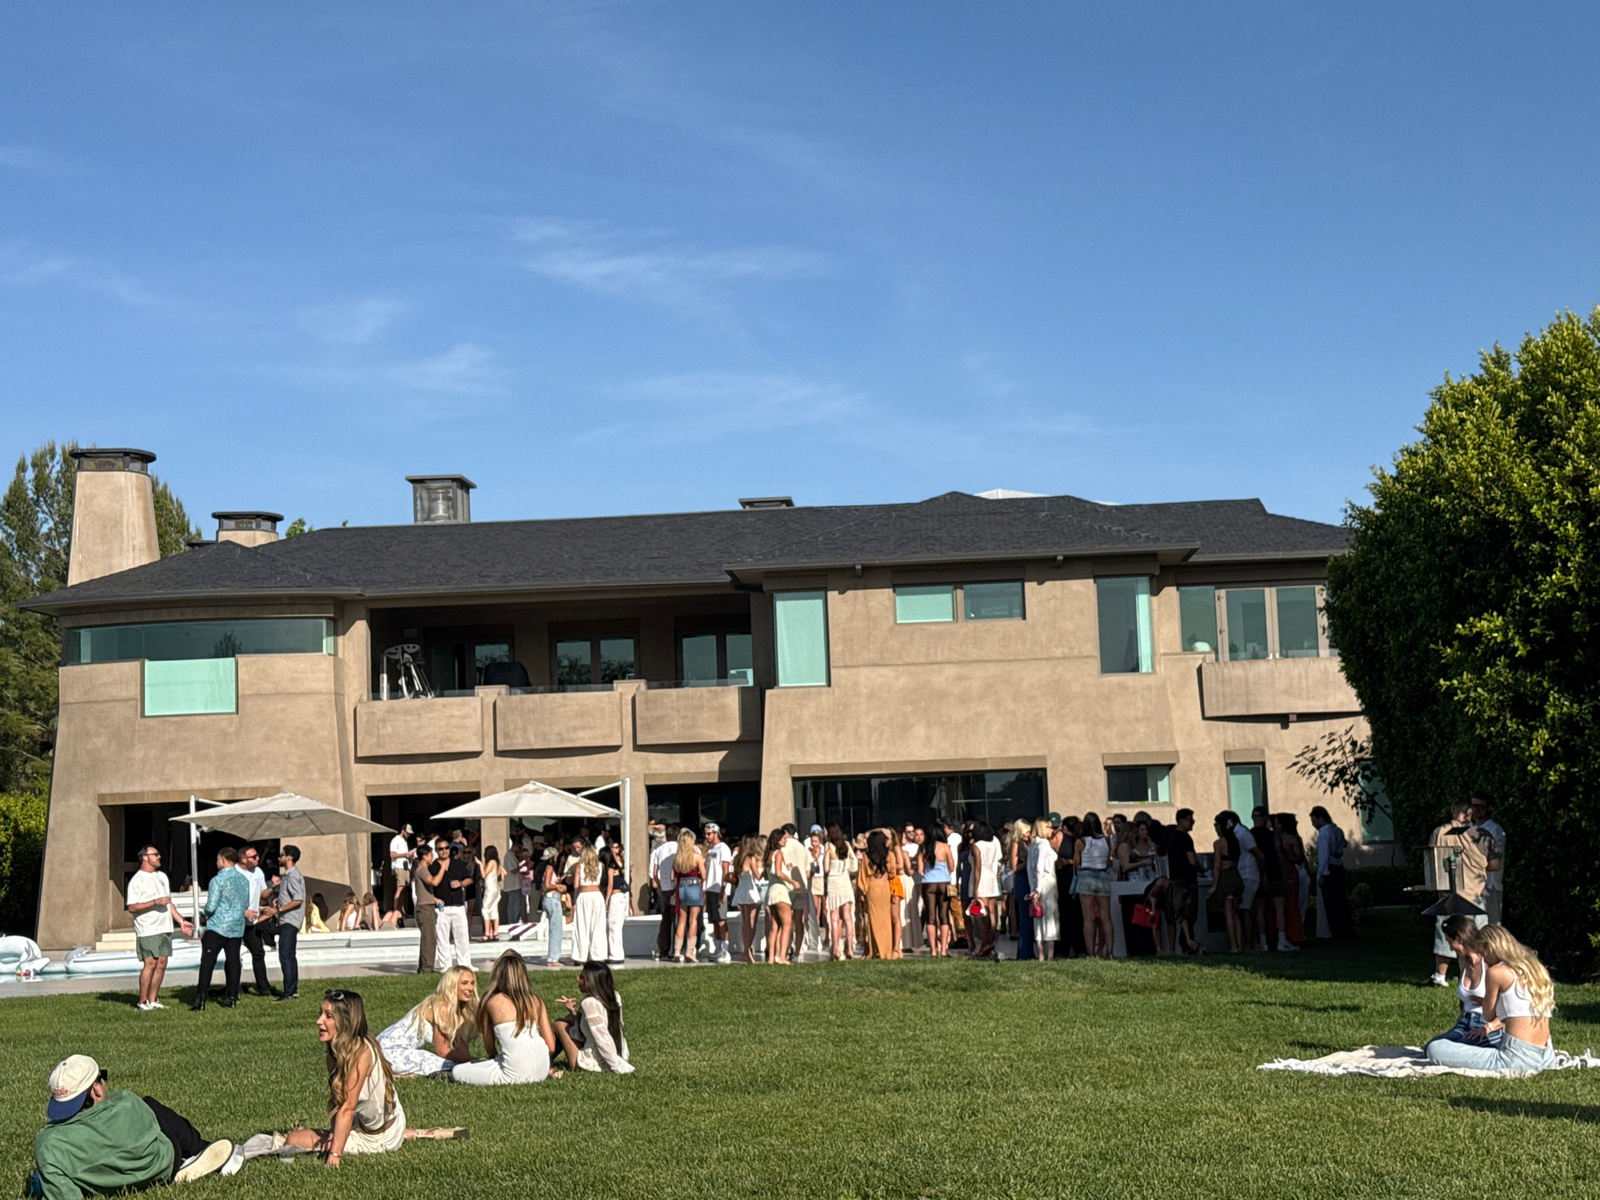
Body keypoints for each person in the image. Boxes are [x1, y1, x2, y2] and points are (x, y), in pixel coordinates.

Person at [275, 989, 463, 1162]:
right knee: (326, 1132)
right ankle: (407, 1133)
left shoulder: (361, 1053)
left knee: (293, 1139)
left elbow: (347, 1108)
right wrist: (334, 1132)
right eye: (321, 1013)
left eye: (328, 1016)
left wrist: (334, 1154)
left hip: (378, 1138)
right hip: (384, 1118)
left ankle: (399, 1135)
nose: (319, 1021)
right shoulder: (336, 1051)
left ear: (346, 1022)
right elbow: (338, 1101)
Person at [31, 1054, 235, 1196]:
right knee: (152, 1106)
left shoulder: (49, 1145)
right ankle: (199, 1148)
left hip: (107, 1187)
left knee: (45, 1178)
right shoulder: (127, 1101)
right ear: (96, 1090)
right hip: (163, 1165)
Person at [1425, 924, 1556, 1074]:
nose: (1485, 961)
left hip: (1516, 1057)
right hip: (1546, 1054)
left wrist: (1487, 1001)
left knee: (1435, 1048)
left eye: (1483, 954)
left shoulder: (1496, 972)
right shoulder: (1535, 969)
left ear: (1490, 947)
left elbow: (1488, 1015)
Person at [452, 950, 557, 1085]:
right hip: (542, 1070)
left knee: (457, 1071)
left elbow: (490, 1048)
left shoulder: (491, 1002)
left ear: (498, 975)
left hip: (515, 1075)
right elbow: (551, 1047)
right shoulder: (536, 1001)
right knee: (500, 1061)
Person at [1428, 796, 1496, 985]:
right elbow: (1495, 864)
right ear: (1470, 813)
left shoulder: (1439, 832)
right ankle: (1477, 974)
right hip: (1475, 893)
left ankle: (1440, 976)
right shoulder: (1482, 835)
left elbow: (1432, 861)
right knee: (1477, 936)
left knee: (1447, 935)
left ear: (1452, 810)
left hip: (1449, 894)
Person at [124, 844, 194, 1012]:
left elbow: (168, 903)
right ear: (145, 857)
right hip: (148, 928)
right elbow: (132, 907)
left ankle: (153, 999)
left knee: (162, 963)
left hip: (165, 927)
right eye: (155, 854)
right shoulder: (137, 881)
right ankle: (142, 1002)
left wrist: (181, 921)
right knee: (150, 963)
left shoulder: (162, 876)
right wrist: (154, 902)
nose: (159, 857)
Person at [377, 965, 479, 1077]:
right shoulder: (442, 1008)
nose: (470, 988)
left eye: (472, 983)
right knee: (449, 1066)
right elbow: (442, 1051)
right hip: (388, 1052)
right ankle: (398, 1073)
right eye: (464, 983)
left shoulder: (456, 1010)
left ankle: (403, 1073)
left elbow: (460, 1045)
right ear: (451, 985)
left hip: (381, 1050)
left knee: (458, 1066)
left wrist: (470, 1061)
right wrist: (475, 1061)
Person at [1422, 918, 1499, 1050]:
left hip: (1485, 1024)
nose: (1450, 948)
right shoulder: (1464, 961)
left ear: (1460, 939)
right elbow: (1464, 1002)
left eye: (1450, 942)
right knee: (1431, 1047)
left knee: (1446, 1050)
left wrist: (1488, 1009)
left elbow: (1508, 1007)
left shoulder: (1489, 963)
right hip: (1465, 1022)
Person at [553, 961, 634, 1074]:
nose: (577, 979)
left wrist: (617, 1067)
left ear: (591, 982)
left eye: (582, 977)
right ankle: (546, 1061)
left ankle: (544, 1061)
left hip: (594, 1063)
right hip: (618, 1053)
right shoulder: (614, 996)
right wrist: (572, 1011)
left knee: (559, 1024)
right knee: (569, 1019)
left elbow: (602, 1037)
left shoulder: (590, 1003)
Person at [193, 847, 248, 1010]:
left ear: (223, 860)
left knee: (207, 963)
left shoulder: (217, 880)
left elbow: (211, 906)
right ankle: (231, 997)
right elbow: (245, 903)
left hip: (218, 926)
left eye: (217, 859)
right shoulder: (244, 880)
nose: (216, 862)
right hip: (236, 926)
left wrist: (203, 913)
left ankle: (201, 999)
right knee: (233, 962)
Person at [1251, 808, 1298, 952]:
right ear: (1266, 818)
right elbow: (1281, 856)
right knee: (1279, 909)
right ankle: (1281, 941)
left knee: (1260, 909)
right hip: (1275, 874)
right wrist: (1287, 874)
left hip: (1257, 874)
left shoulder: (1249, 835)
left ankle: (1263, 942)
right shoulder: (1274, 836)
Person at [236, 845, 275, 998]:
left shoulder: (258, 871)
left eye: (257, 855)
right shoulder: (234, 873)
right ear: (243, 859)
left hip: (251, 923)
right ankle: (234, 988)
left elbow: (263, 894)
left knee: (258, 952)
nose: (258, 858)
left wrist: (273, 887)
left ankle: (263, 988)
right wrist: (242, 911)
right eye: (253, 857)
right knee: (233, 956)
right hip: (235, 922)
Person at [1073, 815, 1114, 959]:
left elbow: (1076, 861)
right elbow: (1108, 861)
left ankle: (1090, 952)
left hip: (1086, 876)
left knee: (1088, 918)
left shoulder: (1080, 842)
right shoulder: (1106, 840)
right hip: (1102, 875)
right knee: (1106, 917)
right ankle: (1109, 952)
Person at [1310, 806, 1354, 938]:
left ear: (1321, 819)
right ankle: (1346, 928)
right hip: (1338, 866)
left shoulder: (1324, 833)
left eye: (1314, 821)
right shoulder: (1337, 830)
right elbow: (1344, 844)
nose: (1313, 824)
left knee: (1330, 902)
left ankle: (1335, 931)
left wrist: (1322, 873)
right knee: (1341, 900)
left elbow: (1323, 855)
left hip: (1329, 869)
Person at [1162, 811, 1202, 955]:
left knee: (1179, 914)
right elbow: (1192, 861)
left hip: (1175, 880)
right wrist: (1200, 867)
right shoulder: (1185, 838)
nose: (1192, 823)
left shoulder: (1171, 837)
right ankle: (1188, 944)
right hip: (1187, 880)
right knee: (1189, 914)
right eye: (1190, 820)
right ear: (1181, 820)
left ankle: (1181, 945)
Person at [1207, 812, 1244, 954]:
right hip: (1236, 875)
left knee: (1229, 914)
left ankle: (1234, 946)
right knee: (1236, 914)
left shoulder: (1219, 843)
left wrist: (1214, 886)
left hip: (1226, 878)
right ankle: (1240, 945)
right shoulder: (1235, 841)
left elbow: (1217, 866)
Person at [765, 827, 803, 964]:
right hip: (780, 891)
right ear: (778, 840)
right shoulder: (779, 853)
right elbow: (778, 873)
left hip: (771, 891)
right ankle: (782, 957)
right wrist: (793, 881)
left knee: (774, 927)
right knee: (787, 925)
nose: (786, 840)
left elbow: (768, 874)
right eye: (784, 838)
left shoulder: (768, 855)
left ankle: (771, 958)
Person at [434, 841, 474, 971]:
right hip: (441, 907)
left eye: (446, 848)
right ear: (436, 850)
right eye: (441, 849)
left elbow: (469, 879)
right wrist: (434, 899)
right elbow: (428, 886)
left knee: (462, 936)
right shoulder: (432, 866)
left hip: (458, 905)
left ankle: (465, 964)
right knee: (442, 937)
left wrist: (460, 883)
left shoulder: (458, 864)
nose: (444, 851)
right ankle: (445, 965)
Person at [669, 829, 705, 963]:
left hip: (682, 887)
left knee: (681, 920)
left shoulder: (677, 858)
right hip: (694, 885)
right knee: (693, 920)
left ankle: (677, 952)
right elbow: (704, 875)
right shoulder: (697, 856)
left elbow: (672, 877)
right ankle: (690, 951)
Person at [274, 844, 305, 1001]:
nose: (279, 857)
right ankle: (292, 989)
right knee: (289, 955)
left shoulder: (292, 876)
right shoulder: (289, 876)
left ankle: (289, 991)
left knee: (285, 955)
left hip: (290, 921)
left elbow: (298, 899)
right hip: (288, 920)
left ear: (289, 858)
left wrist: (281, 909)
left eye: (282, 854)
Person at [858, 830, 896, 959]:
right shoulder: (889, 855)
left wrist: (863, 891)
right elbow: (893, 873)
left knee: (873, 919)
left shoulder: (866, 857)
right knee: (885, 919)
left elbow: (862, 876)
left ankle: (875, 949)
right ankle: (886, 950)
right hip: (885, 887)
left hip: (872, 888)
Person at [1025, 817, 1060, 959]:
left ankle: (1040, 953)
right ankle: (1049, 954)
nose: (1051, 830)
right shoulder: (1044, 843)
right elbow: (1040, 866)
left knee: (1038, 917)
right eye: (1049, 827)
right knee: (1049, 916)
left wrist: (1033, 888)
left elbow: (1029, 868)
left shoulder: (1033, 844)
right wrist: (1038, 889)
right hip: (1047, 883)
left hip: (1036, 883)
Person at [570, 844, 609, 964]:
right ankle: (597, 955)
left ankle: (580, 955)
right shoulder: (600, 865)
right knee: (598, 926)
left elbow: (576, 885)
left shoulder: (579, 866)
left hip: (584, 896)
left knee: (582, 926)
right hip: (597, 895)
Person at [732, 834, 768, 964]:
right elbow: (758, 876)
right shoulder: (750, 858)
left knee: (745, 924)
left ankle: (745, 951)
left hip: (741, 890)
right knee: (751, 925)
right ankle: (747, 952)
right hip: (749, 890)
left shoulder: (738, 858)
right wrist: (767, 869)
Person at [824, 826, 859, 960]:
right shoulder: (847, 845)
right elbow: (854, 864)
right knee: (848, 917)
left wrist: (826, 856)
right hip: (845, 880)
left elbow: (826, 869)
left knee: (834, 918)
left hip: (834, 881)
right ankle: (849, 948)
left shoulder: (828, 846)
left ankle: (835, 949)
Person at [919, 825, 953, 958]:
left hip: (928, 883)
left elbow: (919, 870)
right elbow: (951, 866)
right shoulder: (945, 847)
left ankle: (933, 949)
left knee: (930, 916)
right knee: (944, 916)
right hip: (943, 882)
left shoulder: (923, 848)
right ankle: (944, 949)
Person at [1471, 796, 1506, 924]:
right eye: (1473, 806)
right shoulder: (1469, 829)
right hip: (1472, 884)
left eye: (1480, 807)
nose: (1476, 810)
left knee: (1492, 924)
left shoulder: (1495, 829)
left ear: (1489, 808)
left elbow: (1495, 858)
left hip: (1490, 884)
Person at [701, 823, 734, 962]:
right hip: (710, 888)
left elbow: (725, 869)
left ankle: (725, 950)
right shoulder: (709, 850)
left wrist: (723, 889)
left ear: (716, 833)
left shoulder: (723, 848)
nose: (707, 836)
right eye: (706, 834)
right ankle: (718, 948)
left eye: (709, 834)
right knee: (714, 920)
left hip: (719, 888)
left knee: (721, 920)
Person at [971, 821, 1002, 959]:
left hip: (982, 879)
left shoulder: (977, 846)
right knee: (991, 913)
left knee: (983, 915)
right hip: (991, 877)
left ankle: (984, 944)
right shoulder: (993, 845)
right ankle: (990, 941)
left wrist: (975, 888)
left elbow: (978, 868)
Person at [649, 823, 681, 960]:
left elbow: (654, 872)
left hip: (665, 887)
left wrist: (660, 886)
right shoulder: (679, 848)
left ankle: (663, 950)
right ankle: (676, 949)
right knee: (678, 920)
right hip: (676, 887)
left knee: (665, 921)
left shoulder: (659, 850)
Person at [783, 822, 813, 960]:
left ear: (785, 833)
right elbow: (808, 871)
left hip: (788, 886)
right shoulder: (802, 847)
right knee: (798, 920)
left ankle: (785, 949)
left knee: (786, 921)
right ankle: (797, 952)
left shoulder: (784, 845)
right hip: (802, 886)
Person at [413, 839, 443, 971]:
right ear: (424, 856)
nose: (432, 857)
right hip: (425, 909)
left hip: (426, 906)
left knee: (428, 938)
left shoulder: (421, 870)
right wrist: (442, 868)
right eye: (430, 855)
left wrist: (434, 899)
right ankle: (427, 967)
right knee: (429, 939)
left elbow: (422, 890)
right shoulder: (422, 870)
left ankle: (424, 966)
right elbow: (434, 882)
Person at [1009, 819, 1035, 961]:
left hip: (1029, 879)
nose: (1029, 834)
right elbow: (1014, 866)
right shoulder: (1016, 843)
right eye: (1027, 831)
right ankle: (1024, 953)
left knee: (1030, 919)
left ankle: (1028, 951)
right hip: (1022, 879)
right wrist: (1028, 862)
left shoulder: (1029, 843)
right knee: (1025, 918)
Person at [601, 845, 630, 964]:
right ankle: (618, 953)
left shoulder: (610, 869)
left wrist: (606, 900)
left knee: (613, 926)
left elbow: (610, 885)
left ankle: (615, 954)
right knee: (618, 926)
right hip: (622, 898)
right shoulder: (617, 867)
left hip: (615, 897)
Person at [540, 847, 568, 968]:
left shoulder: (543, 868)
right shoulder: (549, 868)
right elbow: (547, 885)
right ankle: (553, 957)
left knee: (554, 928)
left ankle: (553, 956)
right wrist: (558, 887)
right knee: (556, 930)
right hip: (552, 899)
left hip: (548, 899)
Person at [388, 824, 415, 918]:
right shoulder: (396, 840)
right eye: (407, 833)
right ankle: (396, 911)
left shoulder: (404, 841)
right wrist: (406, 854)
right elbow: (392, 854)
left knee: (403, 890)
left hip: (406, 867)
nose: (408, 835)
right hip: (399, 867)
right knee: (400, 888)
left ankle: (400, 910)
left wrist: (410, 856)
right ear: (402, 831)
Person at [479, 846, 503, 941]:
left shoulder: (491, 862)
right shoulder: (497, 862)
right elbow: (504, 872)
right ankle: (495, 932)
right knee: (493, 909)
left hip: (490, 889)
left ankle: (487, 933)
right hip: (495, 888)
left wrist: (480, 864)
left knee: (485, 909)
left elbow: (484, 874)